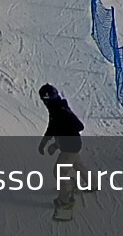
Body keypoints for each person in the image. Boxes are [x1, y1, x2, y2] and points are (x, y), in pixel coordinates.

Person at [38, 84, 85, 220]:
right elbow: (52, 127)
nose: (44, 103)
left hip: (70, 147)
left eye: (44, 100)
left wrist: (56, 144)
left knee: (59, 172)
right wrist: (45, 142)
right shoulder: (55, 109)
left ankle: (65, 201)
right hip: (72, 145)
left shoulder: (60, 111)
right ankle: (93, 184)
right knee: (77, 164)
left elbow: (79, 126)